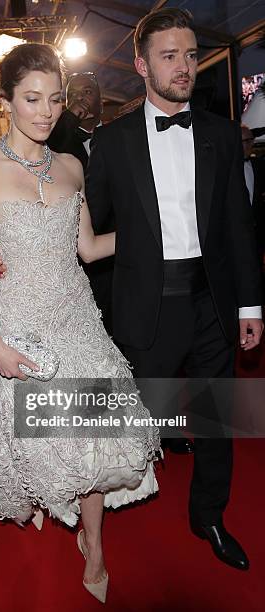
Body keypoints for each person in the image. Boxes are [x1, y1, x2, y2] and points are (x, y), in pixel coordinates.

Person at [0, 43, 159, 604]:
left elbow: (90, 248)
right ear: (7, 102)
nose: (46, 112)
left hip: (80, 323)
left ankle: (93, 545)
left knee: (93, 438)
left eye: (55, 99)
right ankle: (54, 500)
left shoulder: (72, 165)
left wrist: (154, 233)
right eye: (31, 99)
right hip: (22, 325)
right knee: (48, 443)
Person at [85, 8, 263, 570]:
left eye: (190, 54)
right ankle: (122, 495)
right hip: (146, 302)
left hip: (213, 301)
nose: (185, 66)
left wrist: (250, 305)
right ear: (140, 64)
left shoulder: (216, 131)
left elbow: (239, 223)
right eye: (170, 56)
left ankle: (208, 514)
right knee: (141, 416)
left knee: (218, 421)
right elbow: (87, 225)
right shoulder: (110, 143)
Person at [47, 72, 114, 334]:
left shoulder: (117, 136)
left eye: (86, 92)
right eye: (72, 94)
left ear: (101, 99)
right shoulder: (59, 140)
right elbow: (50, 146)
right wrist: (71, 115)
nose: (80, 98)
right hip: (74, 246)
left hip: (113, 240)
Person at [241, 124, 265, 262]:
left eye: (251, 140)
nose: (250, 144)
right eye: (246, 141)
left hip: (257, 233)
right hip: (235, 235)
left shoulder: (258, 166)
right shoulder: (226, 168)